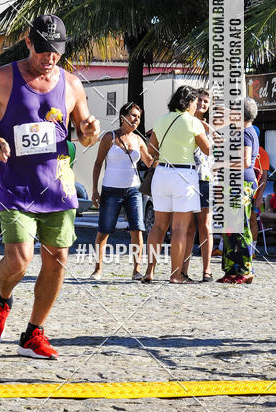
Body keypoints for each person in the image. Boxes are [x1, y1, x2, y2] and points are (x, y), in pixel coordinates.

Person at [0, 14, 100, 360]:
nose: (48, 58)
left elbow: (84, 132)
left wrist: (89, 130)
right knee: (19, 261)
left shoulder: (72, 85)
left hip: (57, 186)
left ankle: (33, 333)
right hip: (14, 186)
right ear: (28, 42)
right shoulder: (2, 78)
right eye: (42, 50)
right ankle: (3, 299)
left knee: (57, 261)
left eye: (55, 52)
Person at [144, 85, 212, 283]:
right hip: (184, 174)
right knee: (180, 229)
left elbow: (151, 150)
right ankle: (176, 275)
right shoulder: (193, 122)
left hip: (162, 174)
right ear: (189, 102)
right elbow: (207, 150)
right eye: (194, 102)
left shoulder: (161, 120)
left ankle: (150, 271)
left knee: (158, 227)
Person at [91, 102, 153, 280]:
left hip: (133, 190)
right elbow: (97, 164)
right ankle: (98, 268)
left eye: (138, 117)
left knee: (137, 229)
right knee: (104, 230)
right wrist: (95, 190)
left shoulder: (139, 140)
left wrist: (160, 155)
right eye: (133, 115)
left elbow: (149, 162)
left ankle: (136, 270)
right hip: (111, 189)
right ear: (122, 116)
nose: (136, 120)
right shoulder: (109, 137)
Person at [219, 97, 260, 282]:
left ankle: (244, 270)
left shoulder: (245, 134)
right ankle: (231, 270)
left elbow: (244, 161)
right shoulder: (246, 131)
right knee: (230, 229)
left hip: (240, 183)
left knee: (240, 228)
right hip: (236, 183)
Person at [183, 88, 214, 281]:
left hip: (205, 179)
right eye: (199, 100)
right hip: (186, 178)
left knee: (205, 226)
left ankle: (207, 270)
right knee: (187, 227)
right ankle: (183, 270)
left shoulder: (211, 127)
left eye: (205, 101)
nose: (202, 104)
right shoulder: (185, 122)